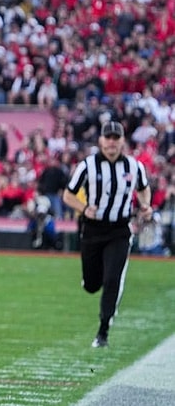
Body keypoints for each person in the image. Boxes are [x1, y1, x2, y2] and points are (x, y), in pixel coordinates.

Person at [62, 121, 153, 348]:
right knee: (92, 285)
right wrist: (84, 209)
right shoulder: (87, 166)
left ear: (122, 141)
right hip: (92, 230)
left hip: (119, 230)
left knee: (112, 279)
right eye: (108, 138)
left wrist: (145, 205)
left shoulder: (134, 166)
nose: (112, 142)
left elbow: (143, 187)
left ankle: (103, 331)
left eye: (116, 138)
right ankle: (95, 279)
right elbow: (68, 195)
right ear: (101, 140)